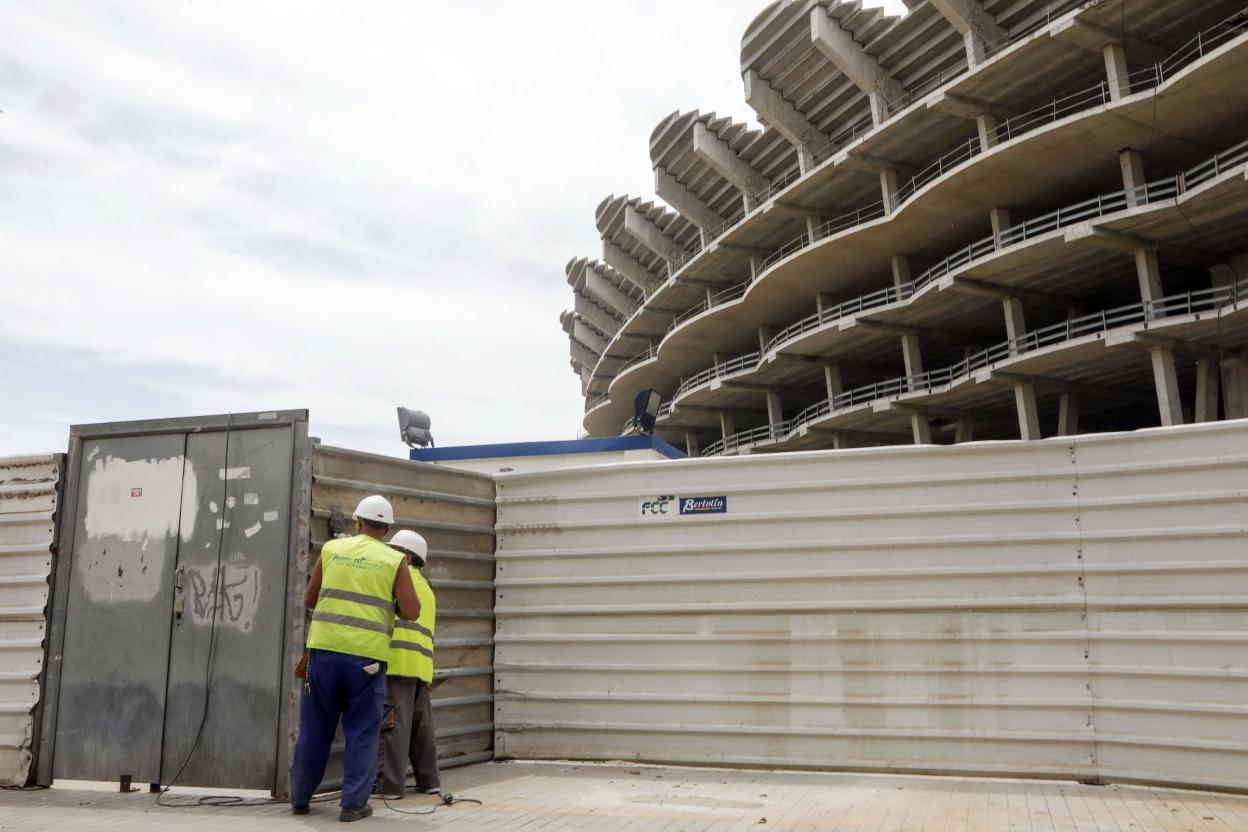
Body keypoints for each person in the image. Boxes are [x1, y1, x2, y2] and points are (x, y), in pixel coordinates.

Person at [289, 495, 420, 822]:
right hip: (367, 661)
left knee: (315, 728)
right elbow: (412, 611)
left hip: (323, 655)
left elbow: (309, 599)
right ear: (387, 529)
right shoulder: (394, 561)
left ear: (357, 522)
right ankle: (352, 805)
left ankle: (300, 799)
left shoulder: (332, 550)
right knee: (362, 731)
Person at [376, 529, 441, 798]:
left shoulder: (397, 579)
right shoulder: (426, 586)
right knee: (420, 729)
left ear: (406, 556)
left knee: (392, 726)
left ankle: (388, 786)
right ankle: (429, 781)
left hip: (397, 664)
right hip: (420, 668)